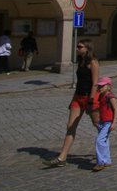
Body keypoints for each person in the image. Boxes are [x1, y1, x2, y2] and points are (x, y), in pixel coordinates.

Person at [42, 39, 100, 167]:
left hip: (89, 98)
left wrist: (91, 100)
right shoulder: (80, 62)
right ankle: (62, 157)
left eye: (80, 47)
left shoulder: (93, 62)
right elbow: (79, 82)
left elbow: (95, 83)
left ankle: (104, 150)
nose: (77, 49)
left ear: (87, 48)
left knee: (98, 125)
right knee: (70, 126)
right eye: (77, 46)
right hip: (78, 97)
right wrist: (73, 99)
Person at [91, 76, 117, 172]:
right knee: (105, 141)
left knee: (99, 141)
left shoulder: (111, 97)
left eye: (102, 86)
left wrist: (114, 122)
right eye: (99, 86)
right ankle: (107, 161)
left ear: (108, 86)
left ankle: (100, 162)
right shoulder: (101, 96)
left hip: (108, 122)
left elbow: (115, 109)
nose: (100, 88)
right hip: (102, 122)